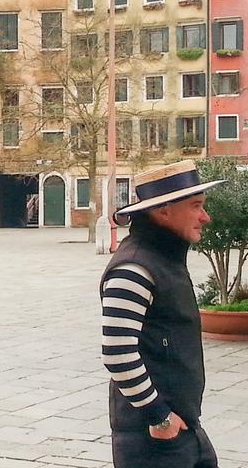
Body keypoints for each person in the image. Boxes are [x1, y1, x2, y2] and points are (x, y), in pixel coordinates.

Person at [100, 159, 223, 468]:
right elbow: (117, 353)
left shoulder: (164, 258)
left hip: (183, 427)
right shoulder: (134, 268)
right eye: (196, 206)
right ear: (163, 210)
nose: (205, 217)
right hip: (152, 436)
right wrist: (159, 415)